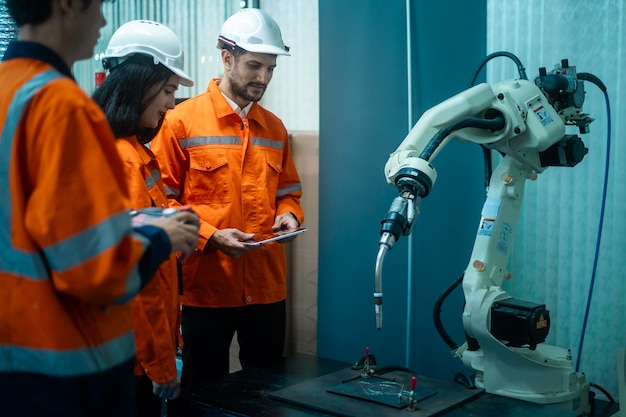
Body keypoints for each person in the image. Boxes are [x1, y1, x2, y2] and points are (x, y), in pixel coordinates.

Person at [0, 2, 199, 417]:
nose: (104, 22)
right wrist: (160, 237)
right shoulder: (62, 108)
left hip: (19, 356)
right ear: (68, 5)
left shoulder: (8, 90)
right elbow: (92, 266)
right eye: (99, 6)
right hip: (71, 365)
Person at [151, 7, 304, 391]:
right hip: (206, 289)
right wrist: (209, 237)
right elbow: (158, 202)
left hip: (267, 286)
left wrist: (289, 216)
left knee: (267, 389)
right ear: (226, 58)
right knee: (203, 390)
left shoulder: (275, 128)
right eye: (254, 66)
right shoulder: (179, 122)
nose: (263, 77)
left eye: (271, 68)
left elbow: (288, 192)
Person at [92, 20, 195, 417]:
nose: (172, 104)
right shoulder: (122, 159)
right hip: (134, 358)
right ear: (139, 82)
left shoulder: (133, 151)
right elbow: (141, 276)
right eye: (168, 90)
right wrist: (161, 363)